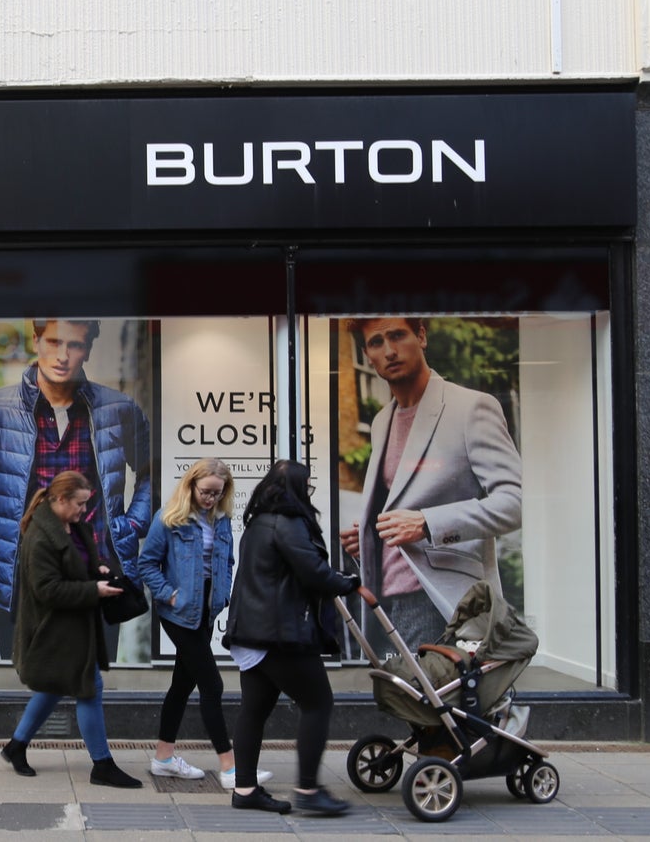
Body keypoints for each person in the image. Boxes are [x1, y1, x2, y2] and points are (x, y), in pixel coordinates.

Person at [0, 319, 153, 660]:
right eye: (53, 342)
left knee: (94, 676)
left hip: (97, 573)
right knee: (23, 676)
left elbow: (150, 474)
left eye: (75, 345)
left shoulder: (119, 409)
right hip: (23, 575)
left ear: (88, 350)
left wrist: (132, 524)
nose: (63, 355)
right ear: (36, 340)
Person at [338, 317, 522, 652]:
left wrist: (427, 523)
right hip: (384, 600)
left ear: (421, 336)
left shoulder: (471, 407)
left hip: (440, 599)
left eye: (397, 335)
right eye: (376, 342)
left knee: (431, 689)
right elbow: (401, 501)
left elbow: (515, 502)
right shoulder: (381, 421)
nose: (389, 351)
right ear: (367, 355)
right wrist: (369, 536)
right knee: (398, 688)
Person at [224, 461, 363, 815]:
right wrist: (350, 583)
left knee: (254, 709)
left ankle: (245, 789)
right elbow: (313, 572)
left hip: (252, 631)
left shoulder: (257, 522)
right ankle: (308, 789)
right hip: (280, 633)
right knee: (318, 703)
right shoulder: (288, 523)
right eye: (307, 487)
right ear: (298, 489)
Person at [0, 470, 144, 789]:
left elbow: (75, 565)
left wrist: (96, 570)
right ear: (61, 499)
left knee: (54, 687)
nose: (84, 509)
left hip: (74, 625)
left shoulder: (74, 526)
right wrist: (94, 590)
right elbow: (47, 589)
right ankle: (102, 765)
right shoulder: (40, 536)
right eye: (79, 503)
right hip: (55, 628)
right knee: (88, 687)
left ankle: (16, 745)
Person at [137, 458, 271, 790]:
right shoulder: (169, 518)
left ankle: (163, 758)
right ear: (191, 485)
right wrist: (169, 595)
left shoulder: (221, 521)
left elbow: (228, 561)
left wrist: (223, 596)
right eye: (205, 491)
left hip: (207, 612)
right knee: (212, 686)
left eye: (217, 493)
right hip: (179, 613)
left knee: (182, 685)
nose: (210, 498)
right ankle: (231, 768)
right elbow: (147, 563)